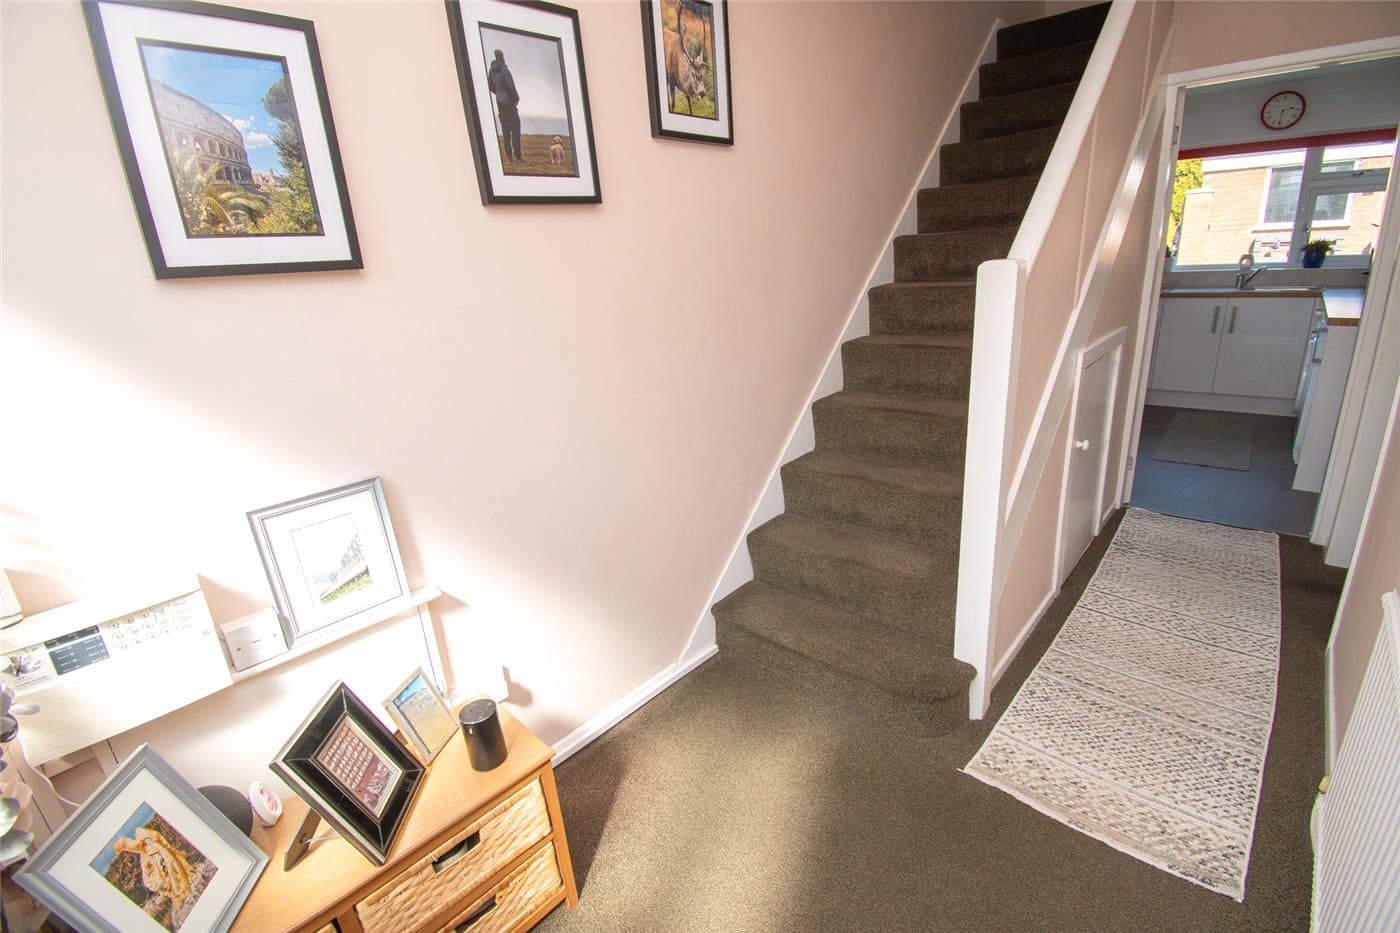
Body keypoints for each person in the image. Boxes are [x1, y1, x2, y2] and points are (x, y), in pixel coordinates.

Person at [487, 49, 522, 163]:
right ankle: (518, 157)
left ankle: (509, 157)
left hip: (500, 103)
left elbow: (490, 86)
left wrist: (499, 93)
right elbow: (511, 87)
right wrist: (515, 99)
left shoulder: (491, 71)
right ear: (502, 57)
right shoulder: (505, 71)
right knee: (516, 129)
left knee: (505, 129)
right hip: (509, 103)